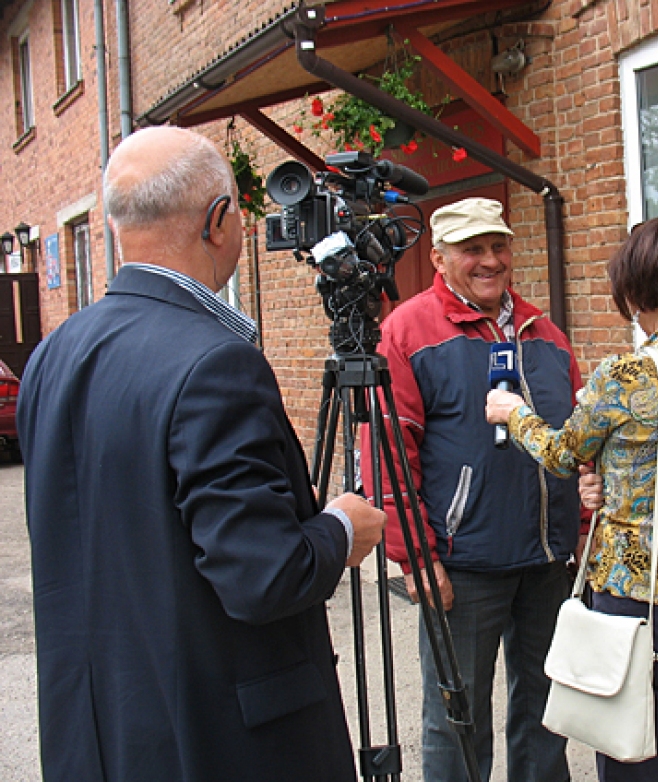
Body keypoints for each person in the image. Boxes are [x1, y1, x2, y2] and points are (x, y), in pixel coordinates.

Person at [17, 126, 386, 782]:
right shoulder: (217, 365)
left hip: (99, 737)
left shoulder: (52, 355)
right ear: (219, 221)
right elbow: (263, 576)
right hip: (221, 745)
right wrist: (340, 530)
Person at [487, 215, 658, 782]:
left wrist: (515, 417)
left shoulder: (628, 373)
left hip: (644, 600)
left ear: (633, 293)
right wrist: (613, 483)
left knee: (633, 761)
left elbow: (564, 453)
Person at [363, 197, 593, 782]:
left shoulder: (546, 333)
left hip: (547, 561)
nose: (490, 260)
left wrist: (584, 537)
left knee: (546, 714)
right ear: (439, 258)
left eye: (498, 246)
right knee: (456, 720)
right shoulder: (407, 331)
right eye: (473, 250)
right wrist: (415, 557)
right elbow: (389, 452)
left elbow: (579, 443)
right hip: (461, 566)